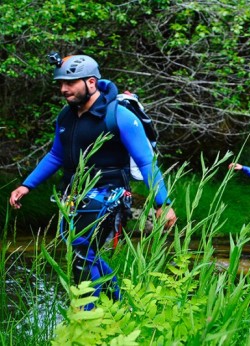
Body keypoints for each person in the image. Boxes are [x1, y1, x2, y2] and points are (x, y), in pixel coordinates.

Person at [9, 53, 176, 309]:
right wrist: (27, 184)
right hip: (73, 196)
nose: (63, 89)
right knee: (80, 253)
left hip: (111, 195)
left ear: (90, 82)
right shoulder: (66, 117)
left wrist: (161, 202)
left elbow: (146, 162)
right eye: (61, 83)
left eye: (70, 82)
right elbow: (56, 154)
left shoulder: (118, 115)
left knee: (80, 251)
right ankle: (118, 305)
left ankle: (89, 313)